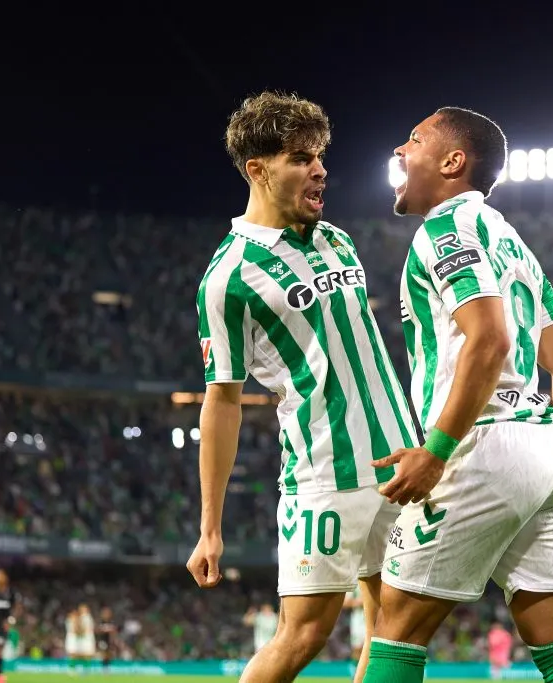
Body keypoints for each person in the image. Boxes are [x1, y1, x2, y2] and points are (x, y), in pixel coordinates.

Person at [361, 107, 553, 683]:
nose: (400, 149)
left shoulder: (445, 229)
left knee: (394, 631)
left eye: (414, 140)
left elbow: (490, 338)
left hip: (483, 443)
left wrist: (436, 450)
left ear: (453, 162)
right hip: (548, 450)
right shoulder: (514, 244)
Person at [185, 91, 418, 683]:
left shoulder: (336, 239)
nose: (319, 169)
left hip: (399, 464)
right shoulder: (228, 277)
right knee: (305, 634)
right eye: (299, 157)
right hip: (325, 473)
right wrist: (211, 525)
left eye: (319, 155)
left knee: (397, 625)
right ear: (257, 170)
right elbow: (223, 402)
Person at [343, 587, 367, 666]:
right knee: (356, 648)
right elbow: (345, 602)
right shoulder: (355, 584)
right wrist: (358, 602)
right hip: (357, 620)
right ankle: (355, 673)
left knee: (367, 647)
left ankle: (365, 673)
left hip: (371, 618)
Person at [96, 607, 118, 674]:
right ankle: (104, 668)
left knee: (109, 655)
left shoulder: (111, 621)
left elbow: (114, 630)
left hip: (109, 641)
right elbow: (97, 630)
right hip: (102, 640)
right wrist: (105, 630)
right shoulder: (100, 621)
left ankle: (107, 667)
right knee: (104, 654)